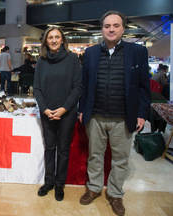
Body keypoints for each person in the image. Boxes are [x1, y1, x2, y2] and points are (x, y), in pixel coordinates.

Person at [78, 11, 150, 216]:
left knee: (120, 159)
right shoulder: (91, 53)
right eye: (107, 25)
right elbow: (84, 85)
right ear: (102, 29)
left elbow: (144, 87)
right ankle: (93, 189)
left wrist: (141, 114)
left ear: (123, 28)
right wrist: (82, 109)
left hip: (123, 117)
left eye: (116, 25)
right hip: (96, 116)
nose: (111, 29)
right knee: (95, 156)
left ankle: (116, 194)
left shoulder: (137, 52)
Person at [33, 26, 82, 201]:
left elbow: (78, 88)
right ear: (46, 41)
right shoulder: (41, 61)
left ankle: (60, 184)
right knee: (49, 148)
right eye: (50, 37)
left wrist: (63, 109)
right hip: (47, 113)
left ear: (62, 40)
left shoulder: (73, 59)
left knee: (63, 150)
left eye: (57, 37)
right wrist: (45, 109)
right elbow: (37, 88)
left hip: (66, 113)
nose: (54, 40)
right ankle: (49, 182)